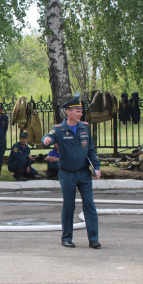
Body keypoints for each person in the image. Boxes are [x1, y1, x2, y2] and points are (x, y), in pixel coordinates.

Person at [42, 95, 102, 249]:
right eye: (77, 111)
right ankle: (66, 238)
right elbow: (49, 137)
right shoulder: (60, 129)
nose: (80, 114)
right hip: (67, 173)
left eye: (81, 111)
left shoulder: (84, 127)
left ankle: (93, 239)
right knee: (69, 206)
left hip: (83, 173)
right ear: (68, 112)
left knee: (89, 205)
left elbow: (91, 150)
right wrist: (46, 141)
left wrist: (96, 167)